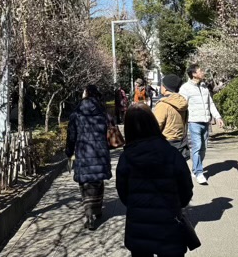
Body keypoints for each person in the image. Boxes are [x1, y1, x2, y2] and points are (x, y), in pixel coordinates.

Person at [116, 104, 194, 257]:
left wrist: (137, 205)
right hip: (169, 225)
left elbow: (123, 192)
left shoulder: (126, 157)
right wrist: (179, 204)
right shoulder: (171, 153)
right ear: (153, 124)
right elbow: (186, 187)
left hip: (139, 227)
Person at [65, 84, 112, 230]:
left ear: (85, 94)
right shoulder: (103, 112)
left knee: (85, 184)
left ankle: (89, 214)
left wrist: (69, 152)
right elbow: (111, 130)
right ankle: (97, 210)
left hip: (84, 153)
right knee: (97, 182)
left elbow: (71, 136)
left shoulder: (76, 114)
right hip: (100, 152)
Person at [179, 63, 224, 184]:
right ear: (194, 74)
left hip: (206, 121)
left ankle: (195, 169)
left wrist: (218, 117)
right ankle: (199, 172)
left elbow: (211, 103)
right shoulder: (185, 88)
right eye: (200, 71)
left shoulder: (204, 86)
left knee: (203, 148)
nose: (203, 72)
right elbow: (181, 106)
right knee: (197, 146)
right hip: (194, 122)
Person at [153, 74, 189, 159]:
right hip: (181, 141)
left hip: (166, 142)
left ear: (165, 88)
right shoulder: (182, 102)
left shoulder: (163, 104)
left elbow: (156, 126)